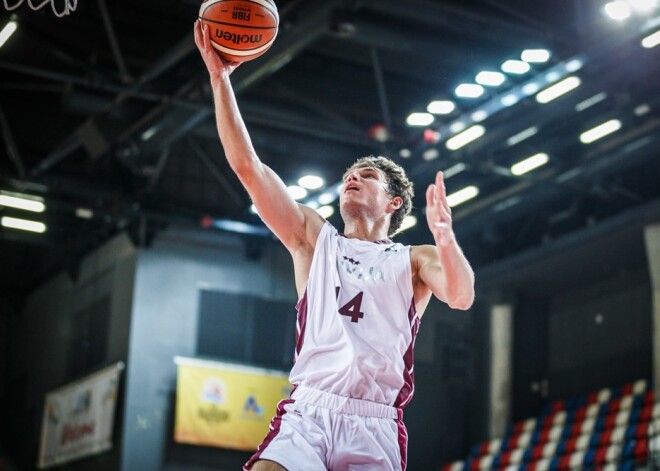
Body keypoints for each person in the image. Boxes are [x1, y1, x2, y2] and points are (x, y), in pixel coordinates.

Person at [194, 20, 475, 471]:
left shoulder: (415, 260)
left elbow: (461, 297)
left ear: (394, 202)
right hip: (310, 411)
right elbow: (248, 167)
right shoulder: (312, 239)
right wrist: (220, 79)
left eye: (367, 176)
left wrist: (445, 238)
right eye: (350, 174)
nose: (353, 177)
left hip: (375, 422)